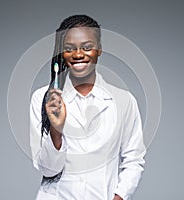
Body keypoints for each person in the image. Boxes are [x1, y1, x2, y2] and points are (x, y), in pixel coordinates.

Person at [30, 14, 146, 200]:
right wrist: (56, 129)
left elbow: (134, 160)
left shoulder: (124, 101)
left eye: (87, 47)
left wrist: (119, 197)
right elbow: (48, 169)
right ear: (62, 52)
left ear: (99, 49)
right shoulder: (43, 99)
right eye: (69, 48)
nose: (78, 54)